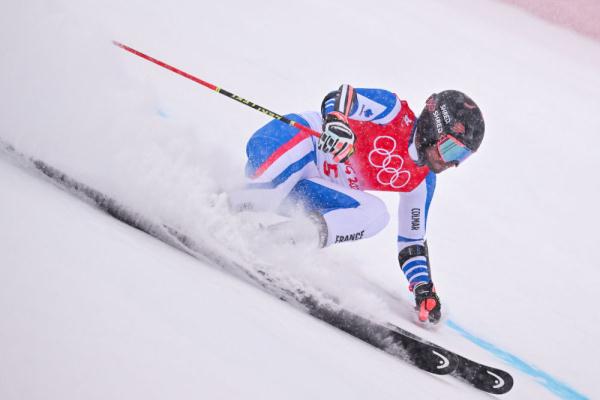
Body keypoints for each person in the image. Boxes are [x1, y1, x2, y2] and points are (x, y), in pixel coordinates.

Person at [229, 85, 485, 324]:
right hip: (293, 140)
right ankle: (219, 210)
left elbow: (412, 241)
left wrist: (423, 289)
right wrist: (336, 122)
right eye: (451, 150)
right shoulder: (393, 113)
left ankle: (275, 244)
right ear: (434, 129)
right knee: (262, 199)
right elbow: (339, 97)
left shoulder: (421, 182)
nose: (451, 163)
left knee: (375, 214)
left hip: (310, 187)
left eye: (461, 157)